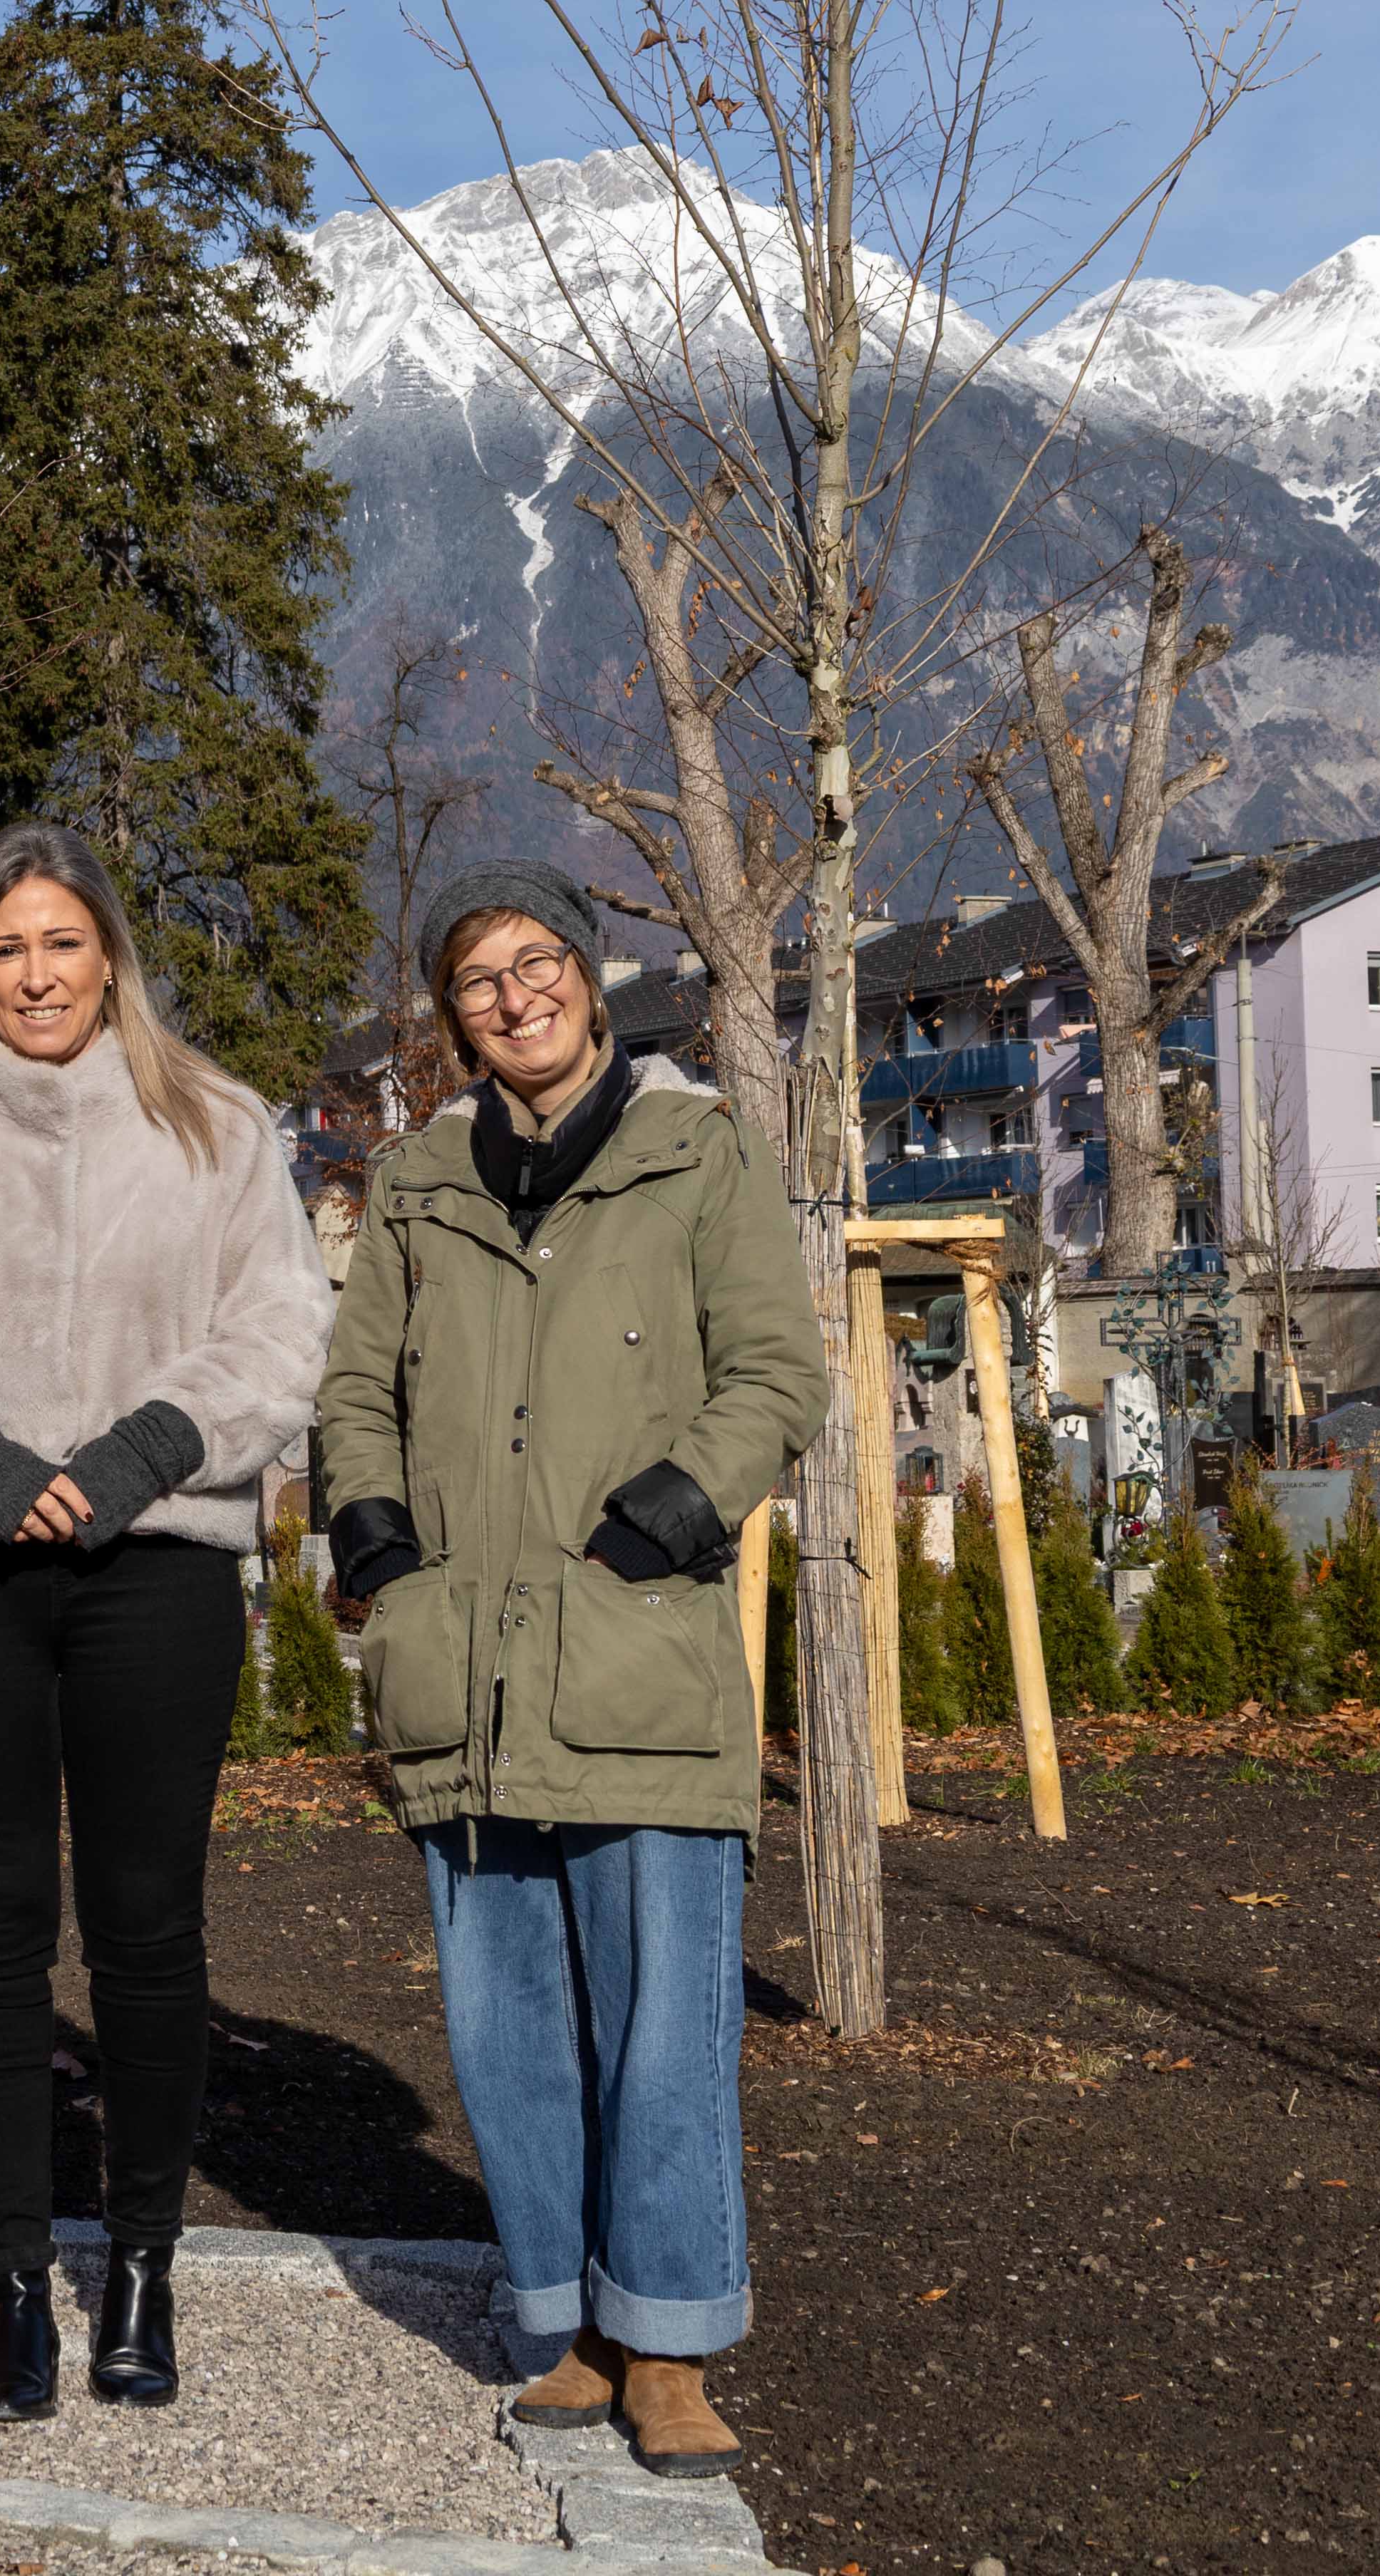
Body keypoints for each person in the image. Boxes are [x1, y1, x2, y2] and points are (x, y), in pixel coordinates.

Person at [0, 824, 336, 2421]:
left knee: (151, 1929)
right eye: (6, 949)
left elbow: (281, 1325)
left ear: (112, 956)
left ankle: (144, 2265)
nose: (36, 975)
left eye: (63, 944)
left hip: (153, 1564)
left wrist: (141, 1452)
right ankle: (17, 2283)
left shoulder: (217, 1128)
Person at [314, 860, 829, 2480]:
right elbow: (353, 1397)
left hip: (640, 1659)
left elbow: (774, 1371)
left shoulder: (700, 1155)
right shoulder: (414, 1181)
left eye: (538, 961)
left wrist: (663, 1522)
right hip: (459, 1669)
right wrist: (385, 1554)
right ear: (450, 1015)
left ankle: (668, 2341)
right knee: (507, 2018)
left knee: (665, 2023)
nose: (514, 994)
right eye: (478, 978)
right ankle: (569, 2323)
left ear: (593, 981)